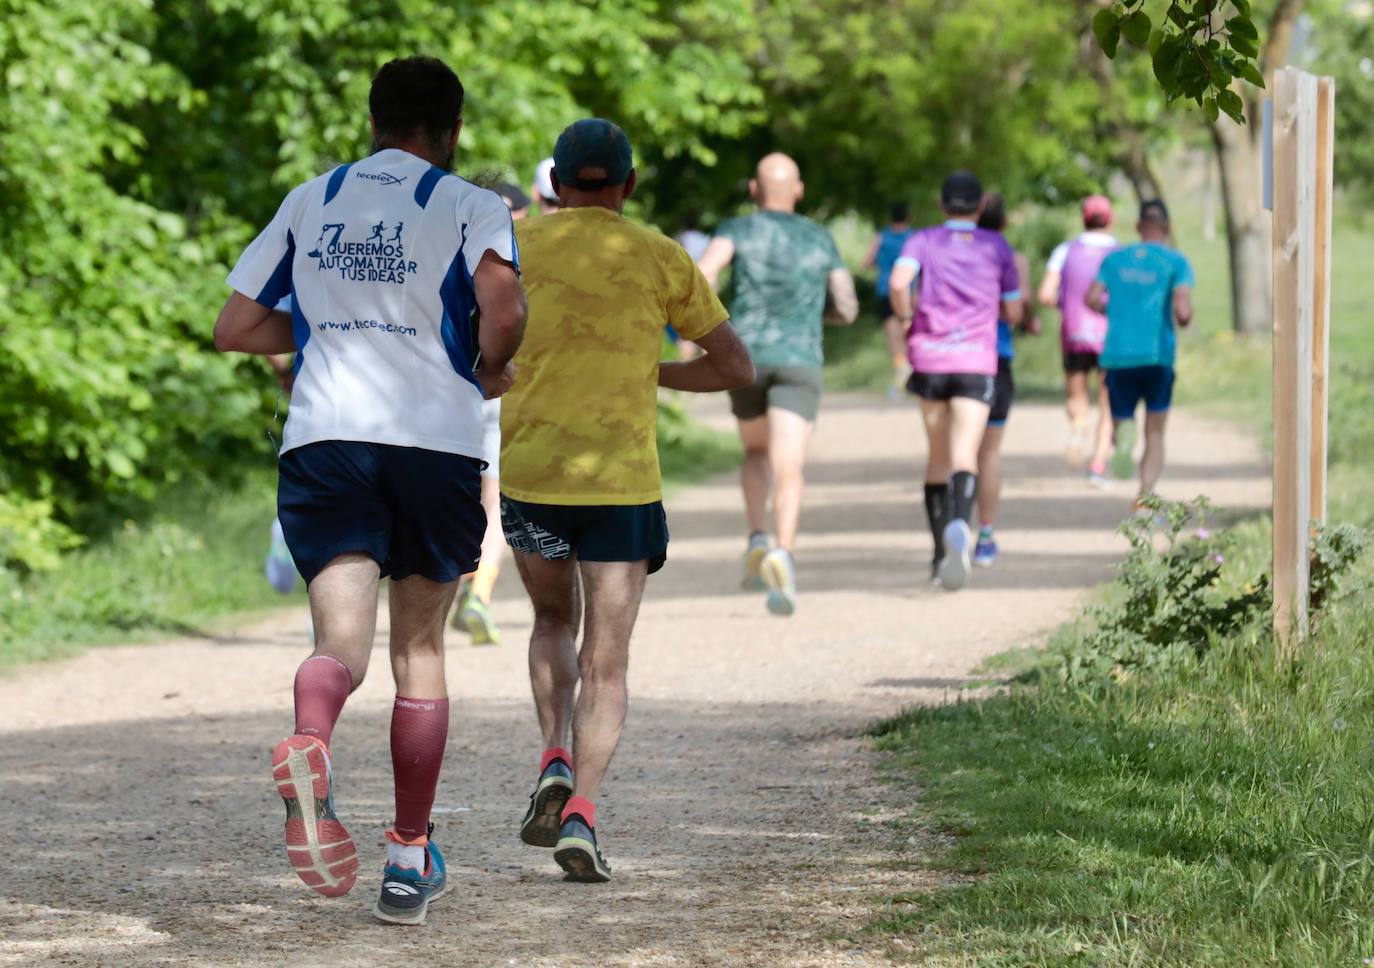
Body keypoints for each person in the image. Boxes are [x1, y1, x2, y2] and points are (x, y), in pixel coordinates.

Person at [213, 56, 527, 926]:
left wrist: (325, 324)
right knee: (419, 650)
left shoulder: (312, 198)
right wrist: (488, 367)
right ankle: (404, 859)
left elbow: (234, 326)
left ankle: (311, 739)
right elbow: (502, 310)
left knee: (340, 643)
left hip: (327, 440)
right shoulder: (471, 203)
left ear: (373, 118)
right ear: (452, 130)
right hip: (433, 442)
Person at [502, 118, 753, 883]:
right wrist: (653, 374)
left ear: (555, 184)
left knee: (551, 621)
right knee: (606, 662)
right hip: (621, 489)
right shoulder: (657, 254)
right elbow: (734, 367)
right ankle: (582, 810)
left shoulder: (513, 248)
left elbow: (469, 347)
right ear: (628, 185)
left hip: (532, 478)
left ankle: (551, 753)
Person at [697, 153, 858, 616]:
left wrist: (712, 327)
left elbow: (701, 275)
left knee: (753, 452)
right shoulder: (818, 236)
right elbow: (846, 305)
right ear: (799, 190)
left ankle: (755, 536)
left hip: (746, 358)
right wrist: (816, 314)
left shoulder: (738, 230)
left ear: (754, 189)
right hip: (799, 358)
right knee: (790, 466)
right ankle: (783, 552)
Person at [887, 171, 1021, 591]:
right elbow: (1014, 312)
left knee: (937, 458)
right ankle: (961, 526)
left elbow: (897, 282)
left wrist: (908, 315)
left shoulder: (923, 240)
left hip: (929, 359)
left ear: (942, 204)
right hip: (976, 361)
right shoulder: (997, 246)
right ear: (980, 206)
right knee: (966, 454)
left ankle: (937, 556)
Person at [450, 181, 532, 646]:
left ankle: (449, 581)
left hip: (446, 388)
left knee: (447, 494)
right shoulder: (521, 258)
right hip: (496, 388)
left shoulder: (447, 241)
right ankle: (479, 591)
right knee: (493, 501)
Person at [1084, 200, 1194, 506]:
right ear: (1166, 228)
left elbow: (1091, 297)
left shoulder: (1115, 259)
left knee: (1121, 421)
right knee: (1156, 431)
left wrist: (1114, 310)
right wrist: (1183, 317)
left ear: (1138, 227)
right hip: (1157, 356)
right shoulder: (1175, 262)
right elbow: (1183, 309)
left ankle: (1123, 438)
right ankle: (1145, 495)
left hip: (1118, 355)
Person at [971, 194, 1039, 567]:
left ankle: (950, 525)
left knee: (956, 449)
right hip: (996, 355)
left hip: (952, 358)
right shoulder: (1013, 258)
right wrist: (1027, 317)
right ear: (1005, 222)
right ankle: (985, 536)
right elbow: (1018, 306)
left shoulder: (953, 251)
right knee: (989, 452)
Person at [1037, 195, 1120, 486]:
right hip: (1112, 338)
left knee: (1076, 394)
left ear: (1083, 218)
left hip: (1074, 333)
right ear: (1110, 220)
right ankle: (1097, 464)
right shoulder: (1121, 253)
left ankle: (1079, 424)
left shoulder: (1065, 250)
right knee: (1109, 402)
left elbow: (1045, 294)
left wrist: (1065, 304)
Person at [863, 202, 915, 399]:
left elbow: (867, 262)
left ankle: (901, 371)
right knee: (909, 335)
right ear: (908, 218)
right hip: (910, 291)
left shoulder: (882, 236)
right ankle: (910, 375)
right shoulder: (914, 238)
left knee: (894, 337)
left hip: (887, 290)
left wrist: (882, 264)